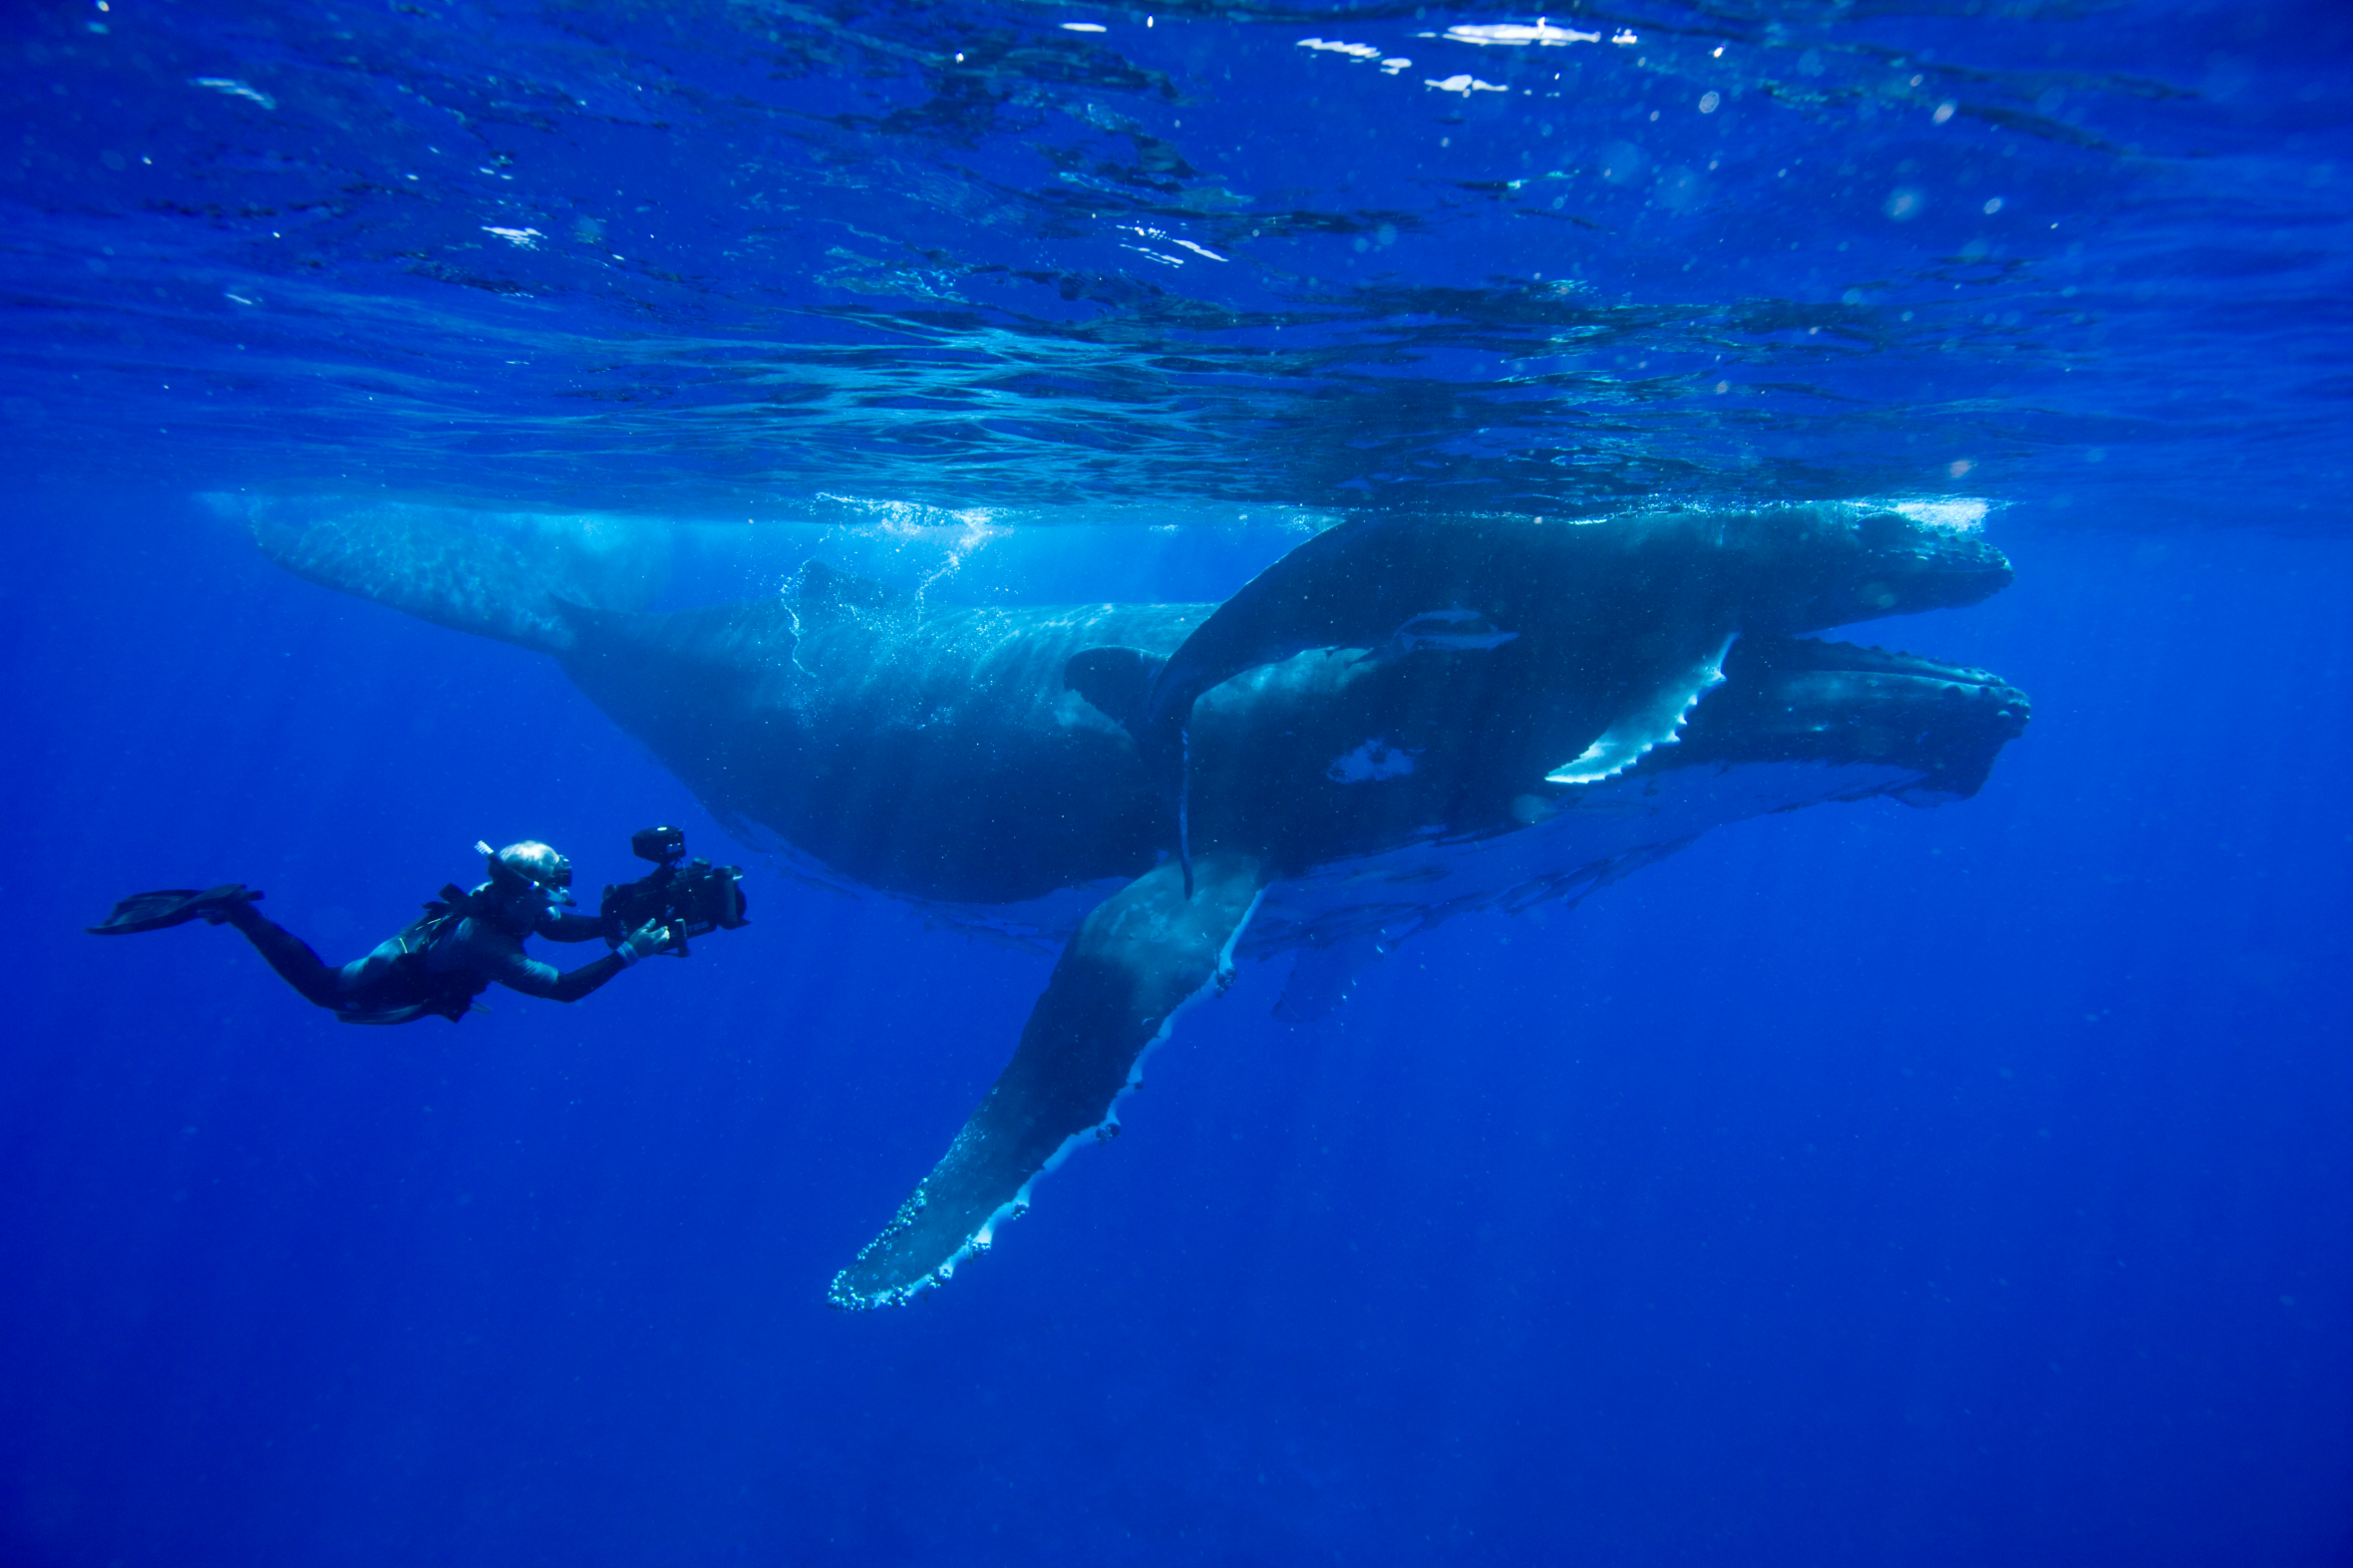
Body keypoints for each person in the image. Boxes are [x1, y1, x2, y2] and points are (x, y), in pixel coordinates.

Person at [88, 840, 679, 1025]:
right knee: (323, 988)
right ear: (524, 889)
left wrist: (610, 924)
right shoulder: (486, 939)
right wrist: (631, 952)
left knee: (326, 983)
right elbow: (564, 990)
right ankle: (239, 911)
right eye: (548, 888)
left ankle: (236, 910)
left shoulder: (510, 902)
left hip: (421, 951)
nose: (555, 898)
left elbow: (558, 928)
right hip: (387, 975)